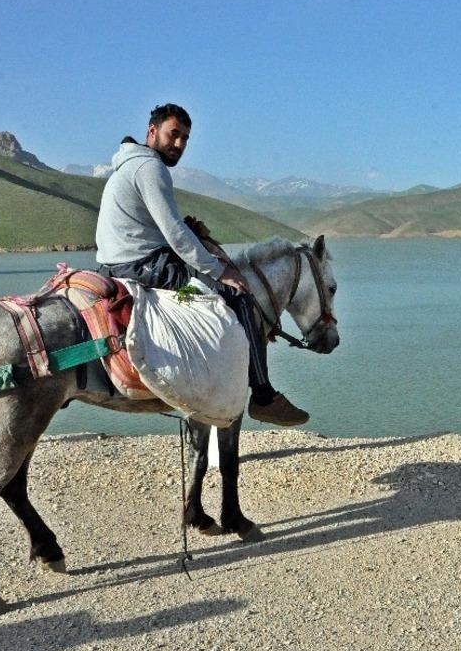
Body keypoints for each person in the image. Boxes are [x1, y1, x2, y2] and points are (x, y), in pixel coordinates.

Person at [95, 103, 309, 425]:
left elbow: (158, 226)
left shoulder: (128, 165)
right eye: (173, 134)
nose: (179, 144)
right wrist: (221, 271)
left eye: (185, 138)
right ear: (152, 132)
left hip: (114, 262)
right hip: (140, 264)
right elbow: (176, 235)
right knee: (239, 295)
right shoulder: (150, 168)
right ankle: (263, 395)